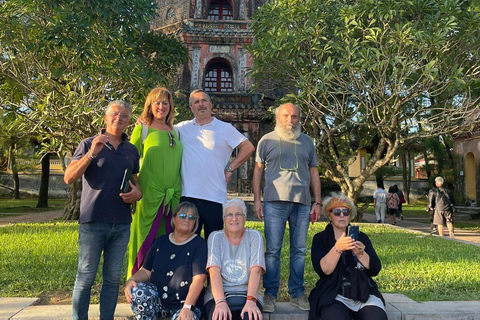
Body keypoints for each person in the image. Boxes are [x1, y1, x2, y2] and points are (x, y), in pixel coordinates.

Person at [64, 100, 142, 320]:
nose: (119, 118)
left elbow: (136, 183)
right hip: (93, 222)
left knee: (112, 279)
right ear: (105, 119)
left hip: (121, 223)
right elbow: (69, 177)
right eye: (115, 114)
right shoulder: (89, 142)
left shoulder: (131, 150)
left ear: (128, 121)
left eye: (124, 116)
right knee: (86, 277)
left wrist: (138, 194)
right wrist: (91, 154)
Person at [252, 103, 322, 312]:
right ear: (277, 117)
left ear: (299, 119)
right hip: (274, 202)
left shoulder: (307, 141)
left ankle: (297, 293)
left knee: (299, 250)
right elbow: (257, 172)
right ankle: (270, 294)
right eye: (286, 116)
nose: (290, 121)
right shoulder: (266, 141)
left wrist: (317, 201)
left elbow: (314, 172)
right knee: (272, 251)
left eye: (294, 117)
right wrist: (257, 200)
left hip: (302, 203)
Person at [177, 89, 255, 241]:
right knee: (187, 242)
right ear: (191, 108)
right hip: (188, 195)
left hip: (214, 197)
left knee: (213, 244)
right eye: (196, 102)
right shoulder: (181, 128)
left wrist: (230, 168)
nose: (201, 105)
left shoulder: (224, 128)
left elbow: (248, 147)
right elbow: (160, 130)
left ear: (211, 104)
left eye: (204, 100)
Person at [128, 87, 182, 279]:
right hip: (148, 196)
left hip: (172, 196)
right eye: (157, 103)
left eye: (165, 102)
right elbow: (129, 161)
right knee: (145, 239)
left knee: (168, 240)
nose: (161, 106)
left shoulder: (176, 131)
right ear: (149, 106)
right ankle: (136, 283)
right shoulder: (141, 129)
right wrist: (134, 188)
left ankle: (164, 281)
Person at [308, 193, 387, 320]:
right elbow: (324, 270)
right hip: (334, 293)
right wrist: (337, 249)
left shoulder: (361, 237)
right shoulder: (320, 238)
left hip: (363, 292)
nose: (342, 215)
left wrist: (360, 254)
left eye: (346, 212)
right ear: (329, 215)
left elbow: (375, 269)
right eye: (337, 212)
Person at [125, 202, 207, 320]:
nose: (187, 220)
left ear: (195, 222)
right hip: (159, 300)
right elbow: (146, 271)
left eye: (191, 217)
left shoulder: (199, 244)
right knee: (137, 291)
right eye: (183, 216)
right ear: (174, 218)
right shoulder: (161, 241)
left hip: (185, 304)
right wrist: (131, 280)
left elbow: (199, 279)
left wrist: (188, 307)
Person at [205, 199, 265, 320]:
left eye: (238, 214)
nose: (234, 218)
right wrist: (221, 302)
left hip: (248, 294)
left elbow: (256, 271)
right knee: (220, 317)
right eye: (229, 215)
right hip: (218, 295)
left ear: (245, 218)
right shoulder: (215, 237)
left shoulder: (254, 236)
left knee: (251, 317)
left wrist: (251, 301)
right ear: (223, 219)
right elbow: (213, 271)